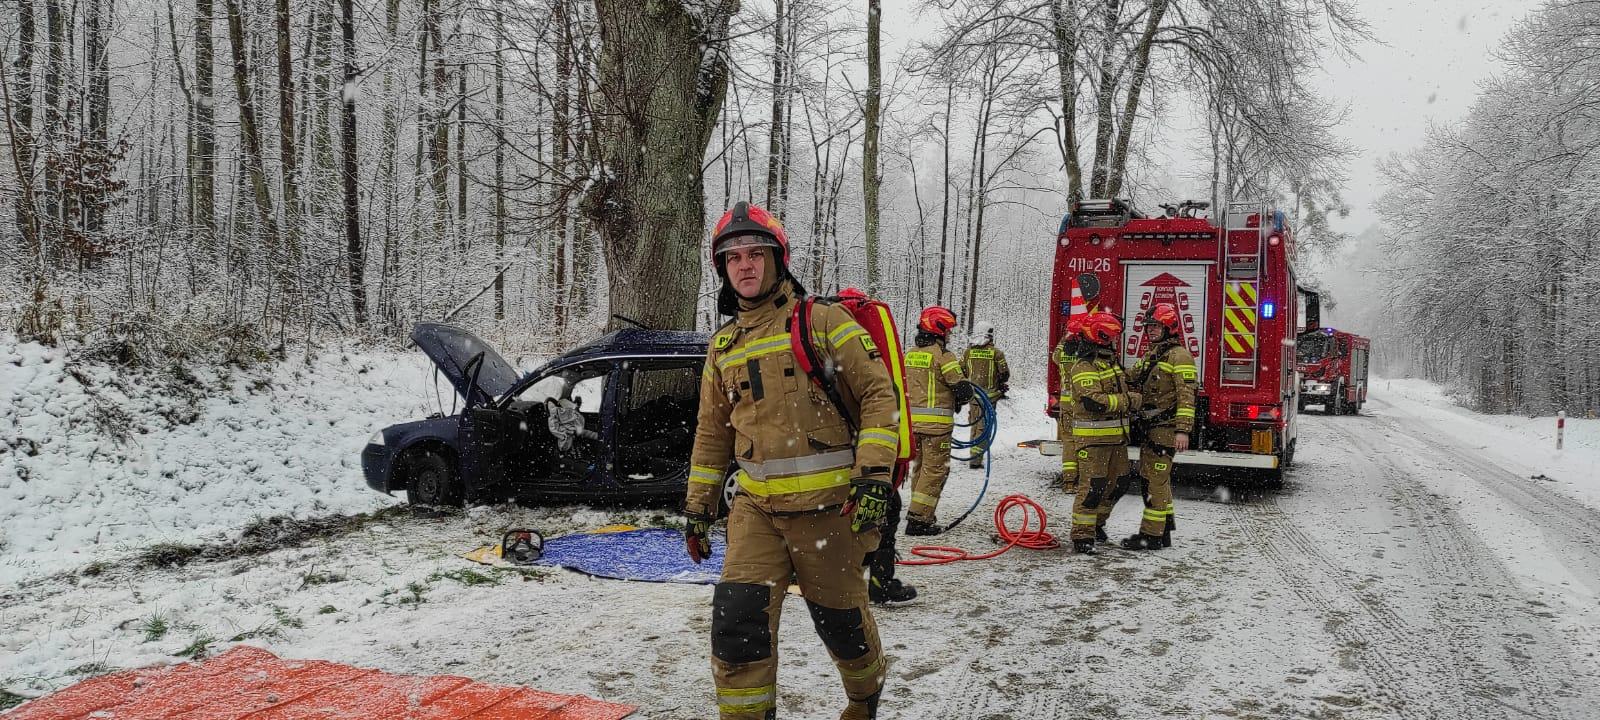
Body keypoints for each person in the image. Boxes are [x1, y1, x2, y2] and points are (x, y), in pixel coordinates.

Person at [682, 201, 898, 720]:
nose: (745, 265)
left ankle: (865, 699)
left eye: (756, 253)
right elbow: (713, 431)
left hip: (831, 512)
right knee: (737, 626)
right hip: (756, 514)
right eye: (733, 257)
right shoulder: (723, 346)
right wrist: (698, 506)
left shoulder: (822, 321)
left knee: (842, 628)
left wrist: (873, 478)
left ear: (779, 260)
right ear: (722, 269)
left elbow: (878, 396)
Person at [1120, 303, 1196, 550]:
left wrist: (1182, 430)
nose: (1150, 331)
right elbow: (1131, 376)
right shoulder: (1153, 354)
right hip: (1152, 429)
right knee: (1153, 480)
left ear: (1169, 327)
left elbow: (1187, 396)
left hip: (1165, 429)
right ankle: (1164, 531)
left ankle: (1150, 536)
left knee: (1155, 482)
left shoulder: (1180, 356)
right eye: (1148, 327)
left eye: (1155, 326)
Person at [1064, 312, 1140, 554]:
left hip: (1116, 439)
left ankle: (1096, 525)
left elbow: (1122, 382)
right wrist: (1130, 400)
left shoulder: (1109, 363)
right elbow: (1094, 402)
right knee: (1093, 487)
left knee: (1119, 484)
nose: (1114, 342)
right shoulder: (1084, 366)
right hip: (1093, 440)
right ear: (1100, 336)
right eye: (1111, 338)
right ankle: (1082, 536)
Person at [903, 306, 972, 536]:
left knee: (921, 469)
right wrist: (963, 394)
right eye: (948, 332)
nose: (949, 336)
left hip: (913, 425)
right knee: (935, 472)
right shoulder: (943, 355)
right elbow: (961, 386)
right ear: (939, 329)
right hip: (937, 428)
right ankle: (918, 520)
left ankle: (921, 512)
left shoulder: (910, 353)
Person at [960, 322, 1010, 468]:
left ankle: (973, 456)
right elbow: (1004, 374)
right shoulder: (996, 353)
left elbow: (961, 371)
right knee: (984, 429)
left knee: (975, 426)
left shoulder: (967, 352)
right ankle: (975, 460)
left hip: (973, 397)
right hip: (989, 398)